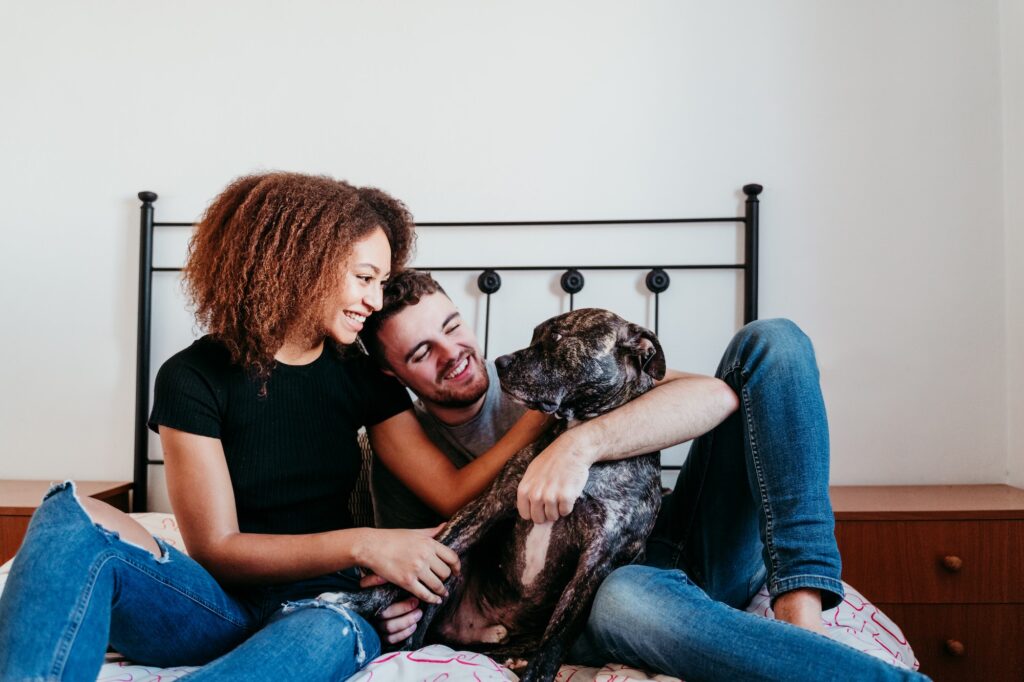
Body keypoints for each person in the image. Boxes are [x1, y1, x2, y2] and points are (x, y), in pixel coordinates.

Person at [0, 173, 549, 681]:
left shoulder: (361, 375)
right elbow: (216, 547)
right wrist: (364, 544)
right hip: (213, 606)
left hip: (325, 609)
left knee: (329, 629)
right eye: (364, 278)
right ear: (300, 264)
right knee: (65, 511)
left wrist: (545, 420)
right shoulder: (191, 377)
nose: (374, 301)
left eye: (381, 281)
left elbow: (450, 490)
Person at [360, 269, 929, 681]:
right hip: (602, 594)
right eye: (421, 354)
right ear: (391, 373)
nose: (453, 354)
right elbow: (427, 544)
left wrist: (581, 442)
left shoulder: (561, 366)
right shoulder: (405, 438)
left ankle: (801, 621)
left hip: (679, 539)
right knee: (626, 598)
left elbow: (715, 396)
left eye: (454, 326)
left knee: (773, 343)